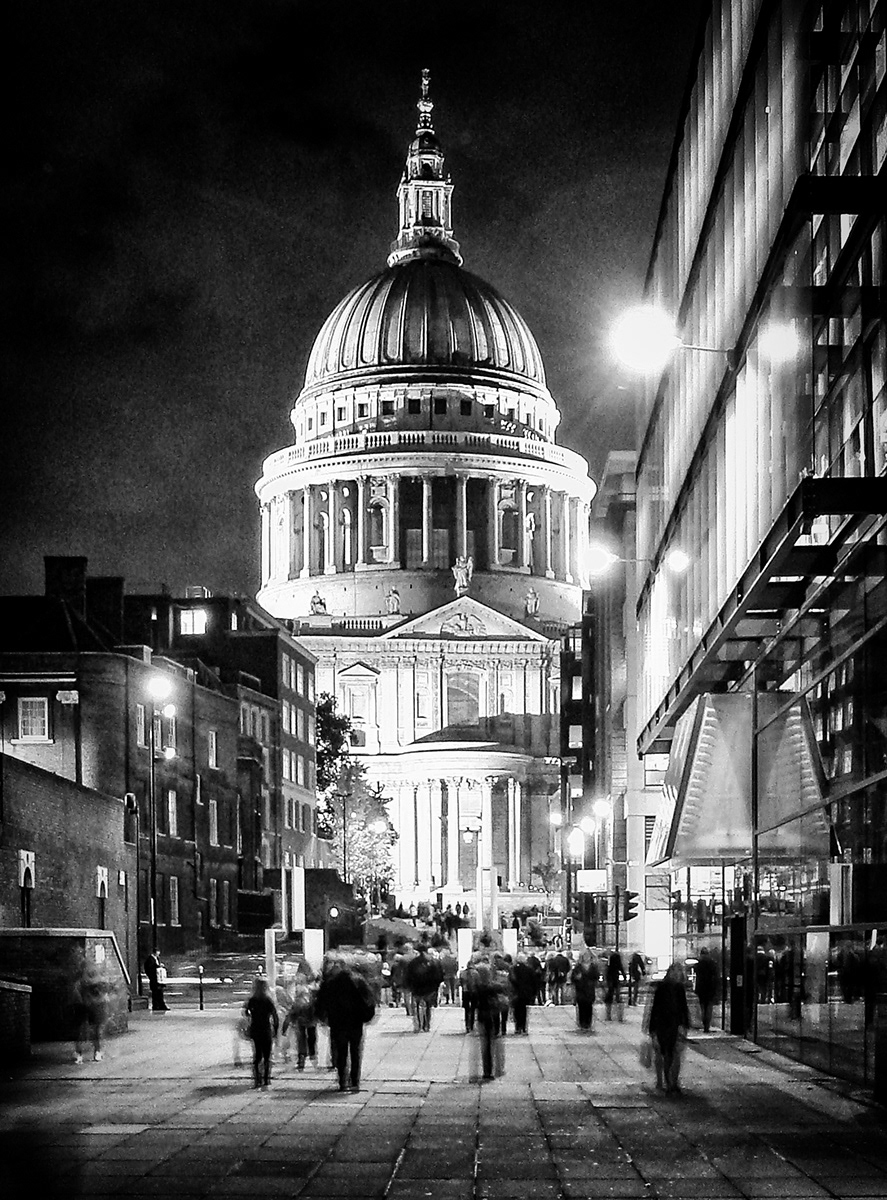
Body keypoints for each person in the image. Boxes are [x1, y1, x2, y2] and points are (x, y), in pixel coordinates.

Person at [315, 953, 377, 1093]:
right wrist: (367, 1016)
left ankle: (343, 1080)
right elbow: (369, 999)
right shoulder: (358, 980)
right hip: (355, 1020)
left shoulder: (330, 982)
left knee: (341, 1051)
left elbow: (321, 1001)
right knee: (355, 1051)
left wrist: (323, 1017)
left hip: (338, 1021)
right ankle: (355, 1081)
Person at [645, 962, 691, 1094]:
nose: (676, 974)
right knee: (663, 1053)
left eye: (678, 972)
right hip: (662, 1025)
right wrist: (652, 1028)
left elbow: (683, 1008)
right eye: (674, 971)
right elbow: (655, 1008)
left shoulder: (679, 988)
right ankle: (664, 1080)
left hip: (674, 1025)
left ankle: (672, 1082)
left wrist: (684, 1024)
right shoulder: (662, 988)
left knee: (674, 1054)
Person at [243, 977, 279, 1088]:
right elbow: (275, 1016)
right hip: (266, 1029)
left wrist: (250, 1017)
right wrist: (276, 1029)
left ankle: (257, 1078)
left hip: (255, 1029)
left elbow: (246, 1012)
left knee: (257, 1055)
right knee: (267, 1055)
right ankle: (266, 1078)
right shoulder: (268, 1000)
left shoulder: (252, 1000)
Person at [72, 961, 110, 1063]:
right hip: (92, 1005)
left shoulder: (80, 982)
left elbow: (76, 993)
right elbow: (103, 993)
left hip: (83, 1005)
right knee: (95, 1030)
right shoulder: (97, 979)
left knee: (80, 1030)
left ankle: (79, 1054)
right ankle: (97, 1052)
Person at [282, 973, 318, 1070]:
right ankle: (313, 1057)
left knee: (302, 1040)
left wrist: (284, 1028)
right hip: (311, 1022)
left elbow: (290, 1014)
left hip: (301, 1022)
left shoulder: (297, 1002)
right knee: (311, 1039)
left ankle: (302, 1059)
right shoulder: (310, 998)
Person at [405, 945, 444, 1032]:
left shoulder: (413, 963)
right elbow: (438, 976)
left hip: (416, 988)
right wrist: (435, 986)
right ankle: (426, 1025)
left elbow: (408, 976)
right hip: (429, 988)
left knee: (418, 1006)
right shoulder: (432, 962)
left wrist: (410, 986)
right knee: (428, 1006)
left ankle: (419, 1024)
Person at [509, 954, 537, 1035]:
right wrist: (533, 993)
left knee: (517, 1010)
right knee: (524, 1010)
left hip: (516, 992)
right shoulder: (529, 969)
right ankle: (524, 1027)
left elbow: (511, 980)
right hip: (526, 993)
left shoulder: (514, 969)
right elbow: (534, 982)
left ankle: (517, 1027)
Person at [571, 952, 599, 1031]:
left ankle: (588, 1023)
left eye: (588, 956)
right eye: (585, 956)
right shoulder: (578, 967)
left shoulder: (593, 967)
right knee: (581, 1007)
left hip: (590, 990)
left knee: (589, 1006)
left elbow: (596, 977)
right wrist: (577, 978)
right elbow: (573, 978)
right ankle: (582, 1023)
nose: (586, 958)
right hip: (580, 990)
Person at [694, 947, 719, 1032]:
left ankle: (704, 1022)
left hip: (701, 988)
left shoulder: (699, 964)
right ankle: (707, 1025)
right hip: (710, 988)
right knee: (709, 1006)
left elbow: (697, 973)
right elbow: (715, 976)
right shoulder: (712, 963)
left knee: (703, 1006)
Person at [605, 951, 626, 1021]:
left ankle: (608, 1015)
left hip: (610, 978)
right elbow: (621, 968)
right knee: (617, 994)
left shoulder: (609, 965)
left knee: (610, 994)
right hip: (615, 978)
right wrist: (624, 977)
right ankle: (619, 1015)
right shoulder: (617, 963)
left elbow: (607, 971)